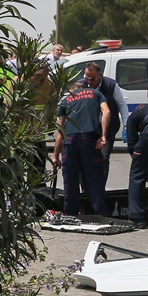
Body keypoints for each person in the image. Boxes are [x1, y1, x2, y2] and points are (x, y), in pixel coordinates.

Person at [52, 78, 110, 216]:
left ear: (72, 90)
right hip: (88, 138)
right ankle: (101, 214)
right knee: (94, 178)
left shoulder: (67, 100)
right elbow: (106, 112)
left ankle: (70, 214)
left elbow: (61, 131)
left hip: (69, 140)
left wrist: (55, 156)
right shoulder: (95, 93)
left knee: (70, 180)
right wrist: (103, 136)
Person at [82, 61, 128, 171]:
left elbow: (122, 105)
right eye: (86, 77)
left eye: (92, 79)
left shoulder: (111, 85)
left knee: (103, 157)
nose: (89, 82)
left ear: (100, 75)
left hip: (108, 129)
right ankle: (86, 188)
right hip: (88, 128)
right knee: (86, 158)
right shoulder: (81, 85)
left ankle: (100, 186)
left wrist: (126, 125)